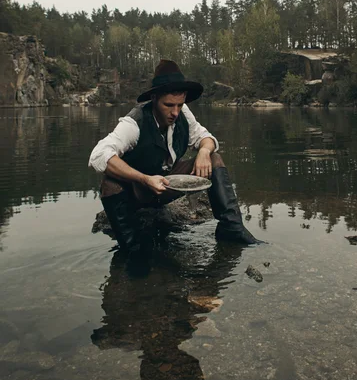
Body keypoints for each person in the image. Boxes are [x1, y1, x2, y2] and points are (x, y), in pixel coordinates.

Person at [88, 59, 261, 252]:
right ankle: (132, 248)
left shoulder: (182, 111)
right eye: (169, 105)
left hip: (168, 185)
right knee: (110, 184)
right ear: (154, 98)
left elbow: (205, 137)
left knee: (214, 158)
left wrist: (204, 150)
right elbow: (98, 155)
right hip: (138, 192)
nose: (175, 112)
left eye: (180, 105)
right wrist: (144, 179)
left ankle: (231, 229)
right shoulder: (133, 123)